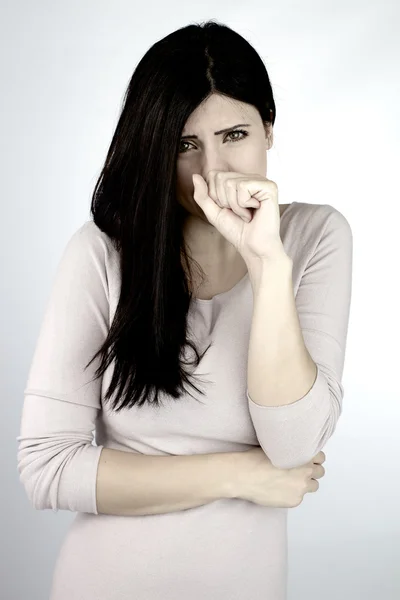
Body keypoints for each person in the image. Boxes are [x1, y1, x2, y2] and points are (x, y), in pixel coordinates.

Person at [16, 19, 353, 600]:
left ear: (269, 130)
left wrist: (267, 265)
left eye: (235, 134)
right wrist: (241, 475)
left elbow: (293, 444)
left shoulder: (315, 236)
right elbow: (47, 467)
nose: (212, 171)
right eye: (184, 144)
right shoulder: (102, 251)